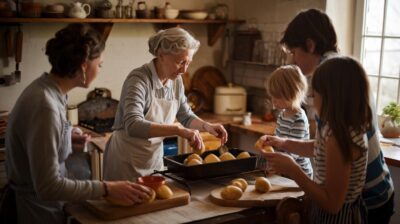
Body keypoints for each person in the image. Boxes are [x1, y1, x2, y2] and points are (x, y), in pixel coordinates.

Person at [2, 23, 153, 224]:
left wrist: (66, 140)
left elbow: (42, 145)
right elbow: (48, 186)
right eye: (99, 65)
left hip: (47, 207)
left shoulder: (49, 90)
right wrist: (107, 188)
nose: (99, 70)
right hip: (36, 213)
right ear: (84, 65)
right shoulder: (44, 105)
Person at [279, 8, 394, 224]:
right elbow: (325, 146)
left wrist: (293, 169)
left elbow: (333, 198)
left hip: (366, 199)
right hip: (371, 192)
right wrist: (286, 143)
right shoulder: (342, 71)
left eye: (294, 52)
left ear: (310, 45)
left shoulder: (330, 79)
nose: (293, 60)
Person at [103, 27, 228, 181]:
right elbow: (133, 125)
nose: (184, 70)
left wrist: (206, 126)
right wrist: (177, 130)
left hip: (153, 160)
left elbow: (185, 115)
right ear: (161, 55)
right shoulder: (139, 80)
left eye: (188, 63)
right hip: (126, 162)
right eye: (180, 62)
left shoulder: (176, 81)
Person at [263, 56, 371, 223]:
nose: (313, 100)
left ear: (331, 97)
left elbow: (332, 204)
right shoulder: (335, 127)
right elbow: (317, 147)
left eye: (315, 95)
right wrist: (284, 143)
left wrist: (293, 170)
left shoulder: (339, 138)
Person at [260, 65, 312, 177]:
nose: (273, 101)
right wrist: (269, 144)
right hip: (284, 171)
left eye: (277, 96)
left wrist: (277, 167)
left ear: (292, 93)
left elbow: (295, 152)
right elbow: (279, 141)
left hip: (299, 174)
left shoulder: (299, 119)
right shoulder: (282, 115)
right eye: (272, 96)